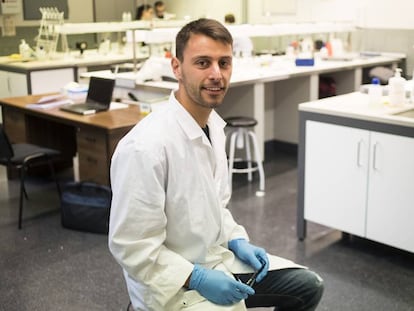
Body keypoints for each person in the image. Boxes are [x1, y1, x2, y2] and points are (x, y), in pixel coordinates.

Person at [109, 18, 324, 311]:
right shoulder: (145, 147)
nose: (216, 74)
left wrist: (236, 240)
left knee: (308, 286)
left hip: (215, 258)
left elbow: (214, 208)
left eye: (224, 63)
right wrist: (195, 277)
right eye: (202, 63)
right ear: (176, 68)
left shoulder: (212, 127)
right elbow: (132, 246)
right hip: (171, 285)